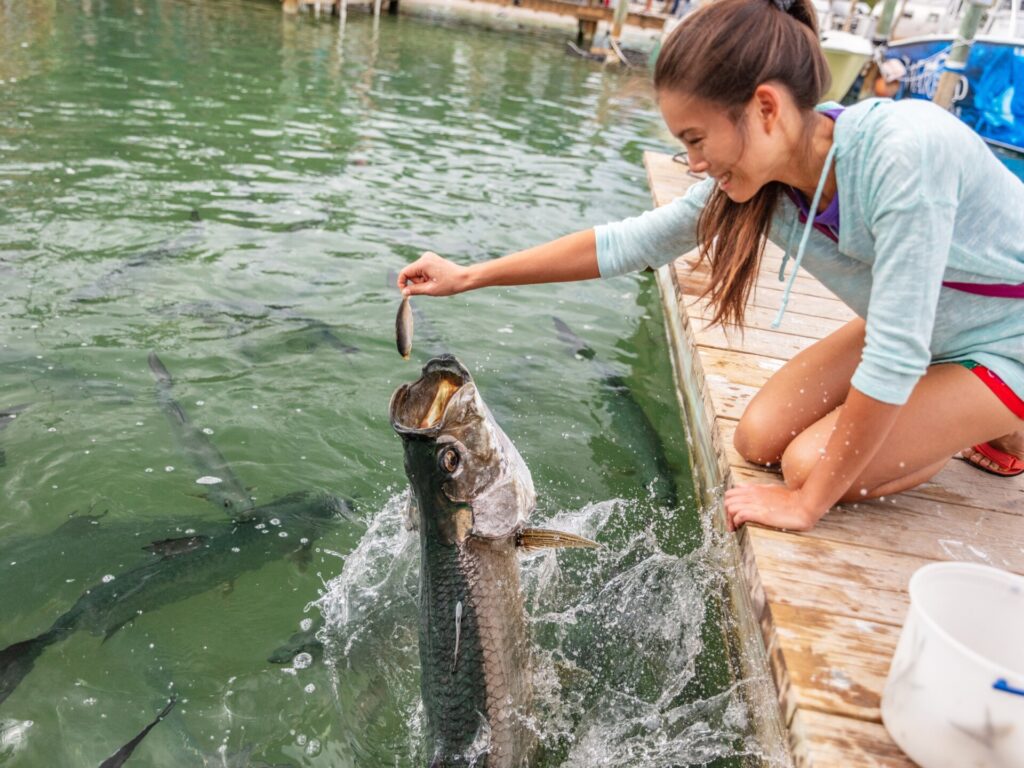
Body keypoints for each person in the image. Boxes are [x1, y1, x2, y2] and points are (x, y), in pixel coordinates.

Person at [396, 0, 1024, 533]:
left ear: (766, 108)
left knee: (809, 467)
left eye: (696, 140)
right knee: (757, 438)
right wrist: (469, 275)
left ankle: (987, 429)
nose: (693, 164)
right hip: (927, 328)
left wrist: (808, 504)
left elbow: (894, 354)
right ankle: (940, 413)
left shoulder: (902, 153)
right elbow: (627, 243)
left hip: (1003, 340)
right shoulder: (764, 182)